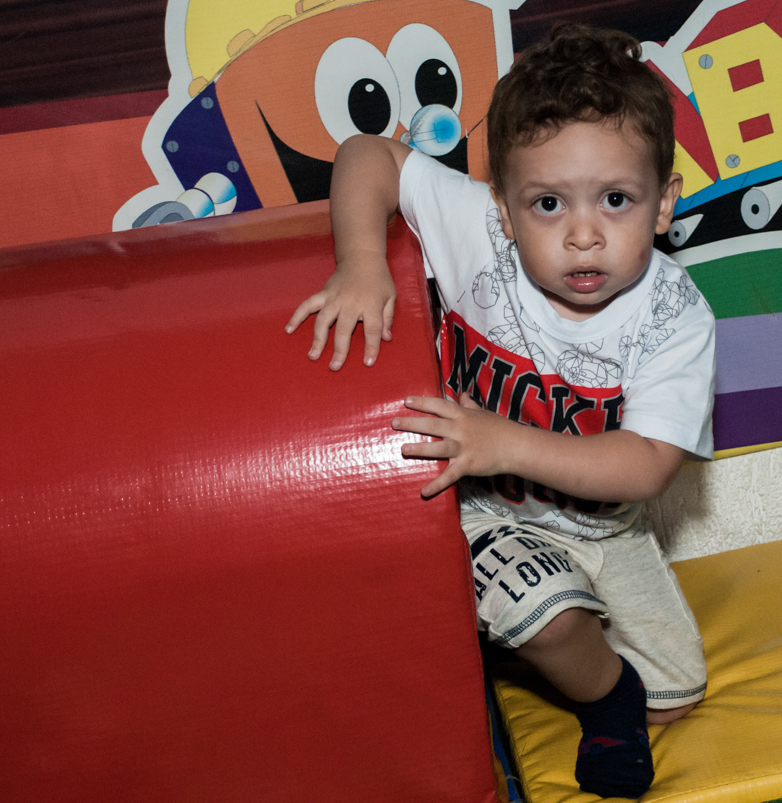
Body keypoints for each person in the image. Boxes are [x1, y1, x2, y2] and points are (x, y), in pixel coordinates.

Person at [286, 23, 715, 799]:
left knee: (676, 698)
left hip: (605, 525)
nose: (583, 235)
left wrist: (506, 441)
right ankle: (598, 691)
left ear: (664, 204)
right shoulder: (481, 232)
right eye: (548, 203)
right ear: (506, 211)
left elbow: (648, 464)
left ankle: (538, 647)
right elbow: (367, 152)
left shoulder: (674, 316)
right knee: (546, 616)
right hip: (482, 509)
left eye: (616, 200)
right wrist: (362, 260)